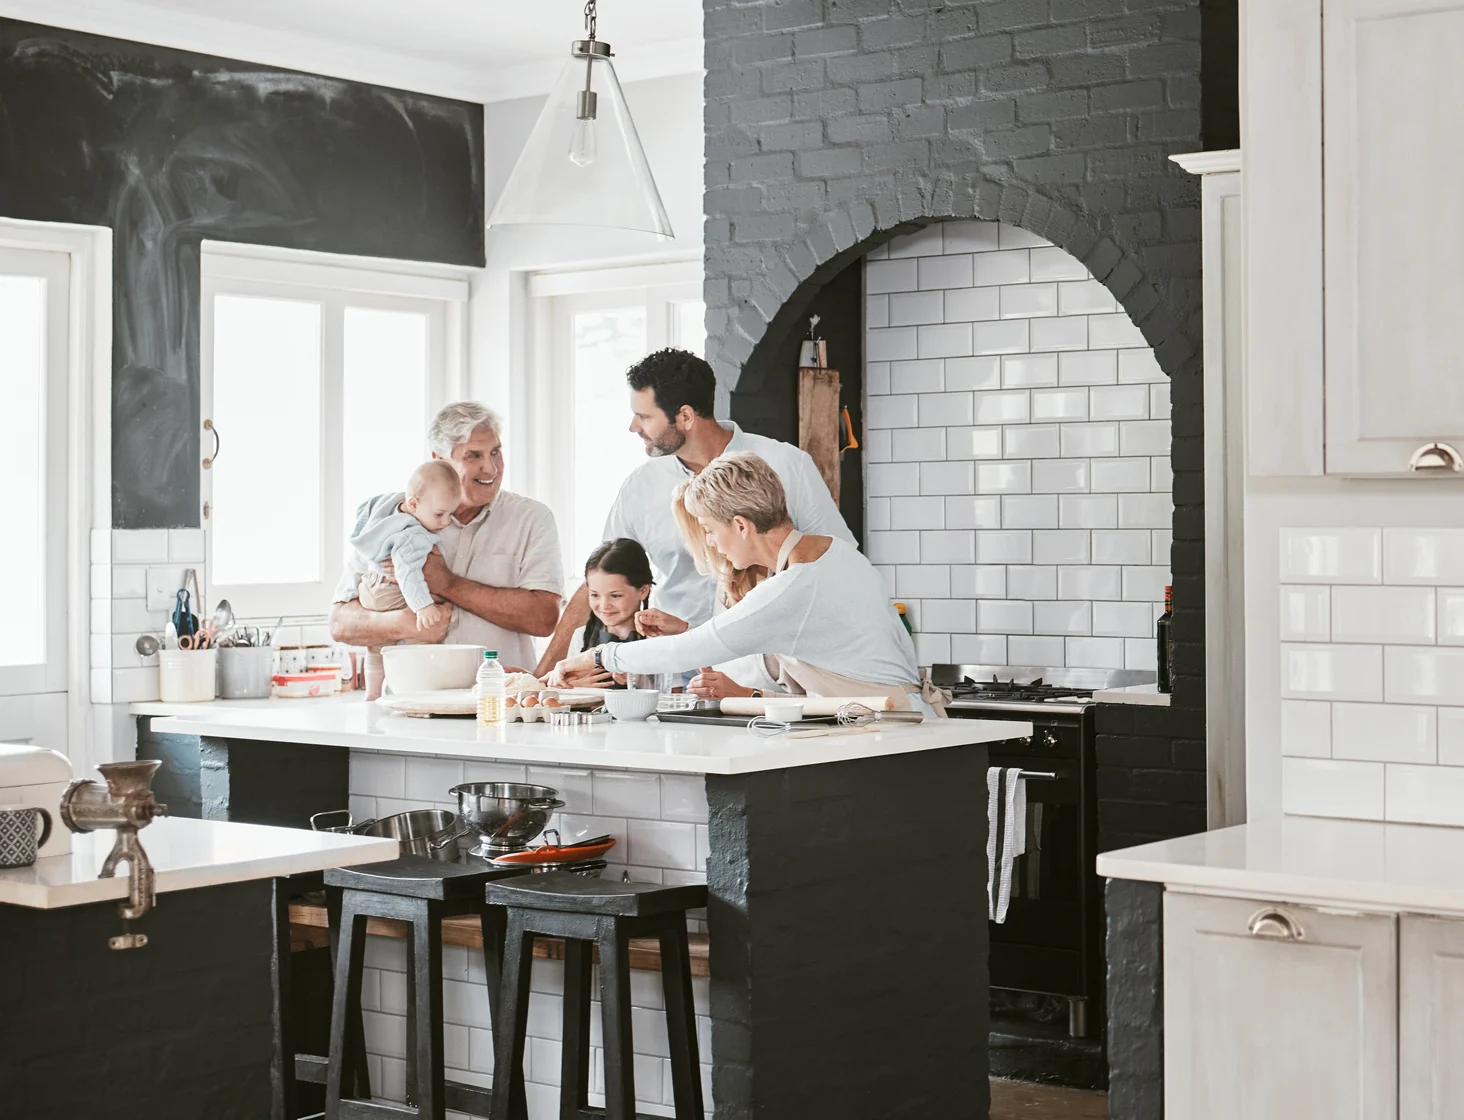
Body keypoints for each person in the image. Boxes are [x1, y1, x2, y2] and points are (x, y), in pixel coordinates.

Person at [535, 347, 854, 675]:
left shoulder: (786, 466)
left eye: (644, 416)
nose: (633, 427)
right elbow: (599, 579)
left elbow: (834, 562)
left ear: (685, 417)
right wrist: (544, 674)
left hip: (767, 671)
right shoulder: (641, 486)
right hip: (673, 673)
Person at [554, 453, 940, 714]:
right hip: (901, 721)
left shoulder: (794, 585)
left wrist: (597, 656)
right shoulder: (835, 555)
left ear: (740, 525)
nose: (709, 542)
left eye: (708, 529)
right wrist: (689, 630)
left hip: (889, 730)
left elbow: (687, 652)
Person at [330, 402, 564, 672]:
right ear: (439, 460)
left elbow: (544, 618)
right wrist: (403, 623)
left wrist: (446, 584)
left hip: (497, 702)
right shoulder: (393, 516)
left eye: (496, 452)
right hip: (412, 702)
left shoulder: (532, 519)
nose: (491, 468)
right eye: (473, 456)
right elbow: (340, 623)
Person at [346, 460, 460, 699]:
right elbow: (408, 574)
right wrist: (423, 606)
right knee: (421, 642)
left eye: (451, 514)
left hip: (370, 586)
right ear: (413, 503)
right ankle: (416, 693)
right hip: (393, 591)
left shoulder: (388, 512)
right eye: (440, 514)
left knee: (376, 648)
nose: (446, 522)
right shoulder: (414, 536)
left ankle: (373, 694)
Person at [556, 538, 655, 690]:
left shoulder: (657, 640)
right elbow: (566, 690)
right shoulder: (581, 636)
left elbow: (673, 696)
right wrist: (577, 687)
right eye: (595, 595)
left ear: (643, 591)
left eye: (615, 596)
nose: (604, 606)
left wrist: (636, 682)